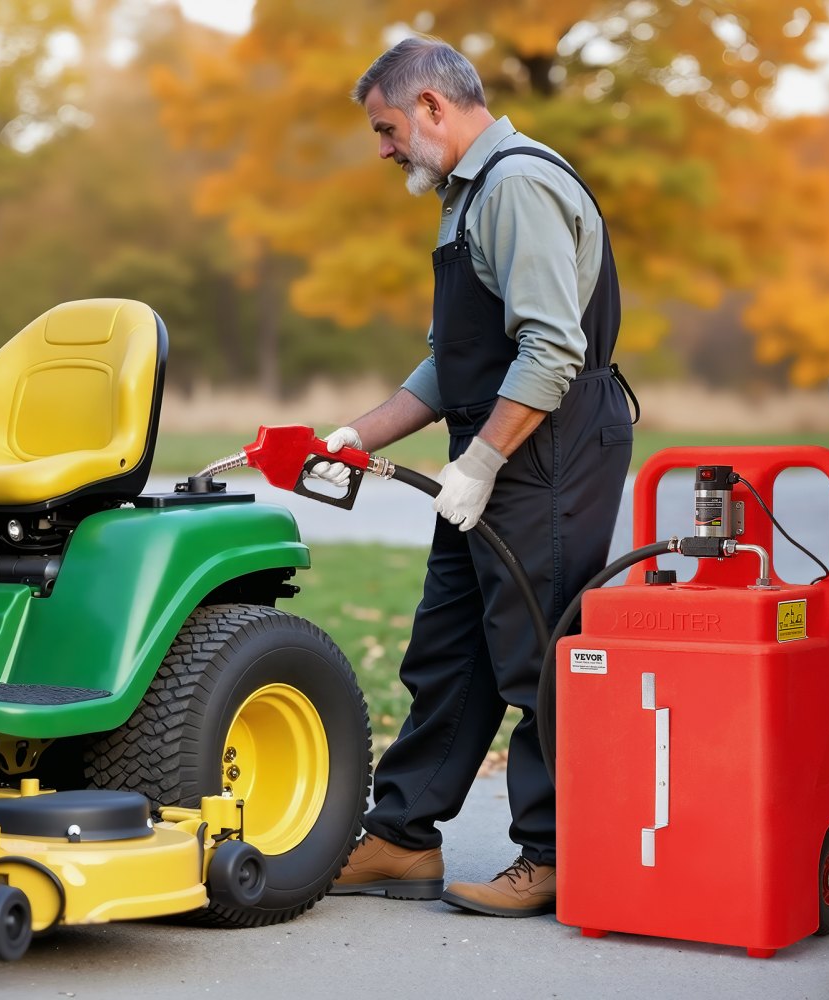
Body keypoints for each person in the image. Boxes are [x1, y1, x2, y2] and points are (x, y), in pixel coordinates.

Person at [318, 36, 635, 918]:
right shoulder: (466, 197)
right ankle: (402, 838)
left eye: (385, 128)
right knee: (448, 645)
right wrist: (351, 434)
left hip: (550, 447)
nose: (382, 148)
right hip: (492, 449)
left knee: (537, 651)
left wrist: (482, 462)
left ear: (431, 106)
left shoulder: (518, 186)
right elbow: (449, 368)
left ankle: (555, 854)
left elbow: (551, 348)